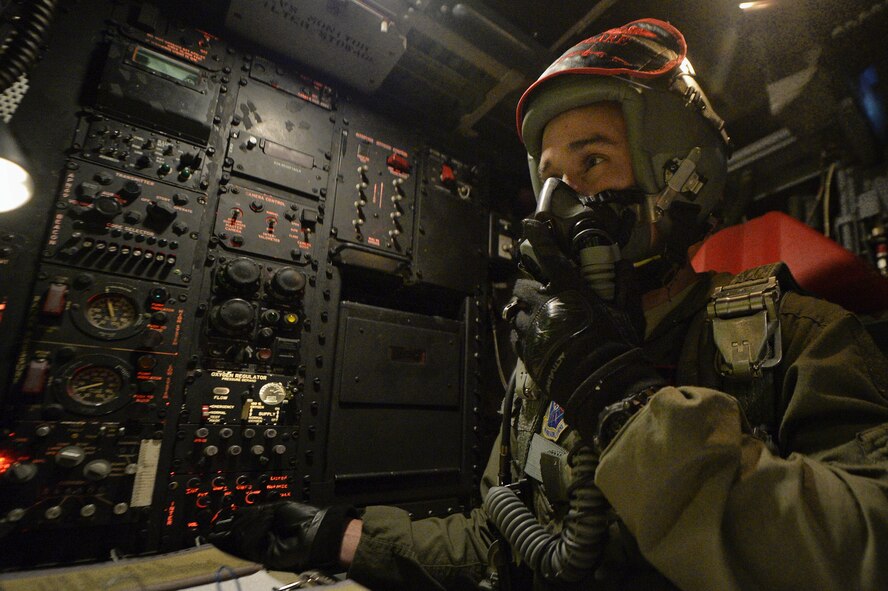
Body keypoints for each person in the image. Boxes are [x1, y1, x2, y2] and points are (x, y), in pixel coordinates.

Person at [208, 18, 888, 590]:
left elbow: (865, 547)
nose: (553, 208)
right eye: (550, 178)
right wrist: (345, 537)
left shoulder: (800, 337)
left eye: (592, 163)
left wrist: (625, 404)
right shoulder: (548, 370)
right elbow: (505, 536)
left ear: (681, 176)